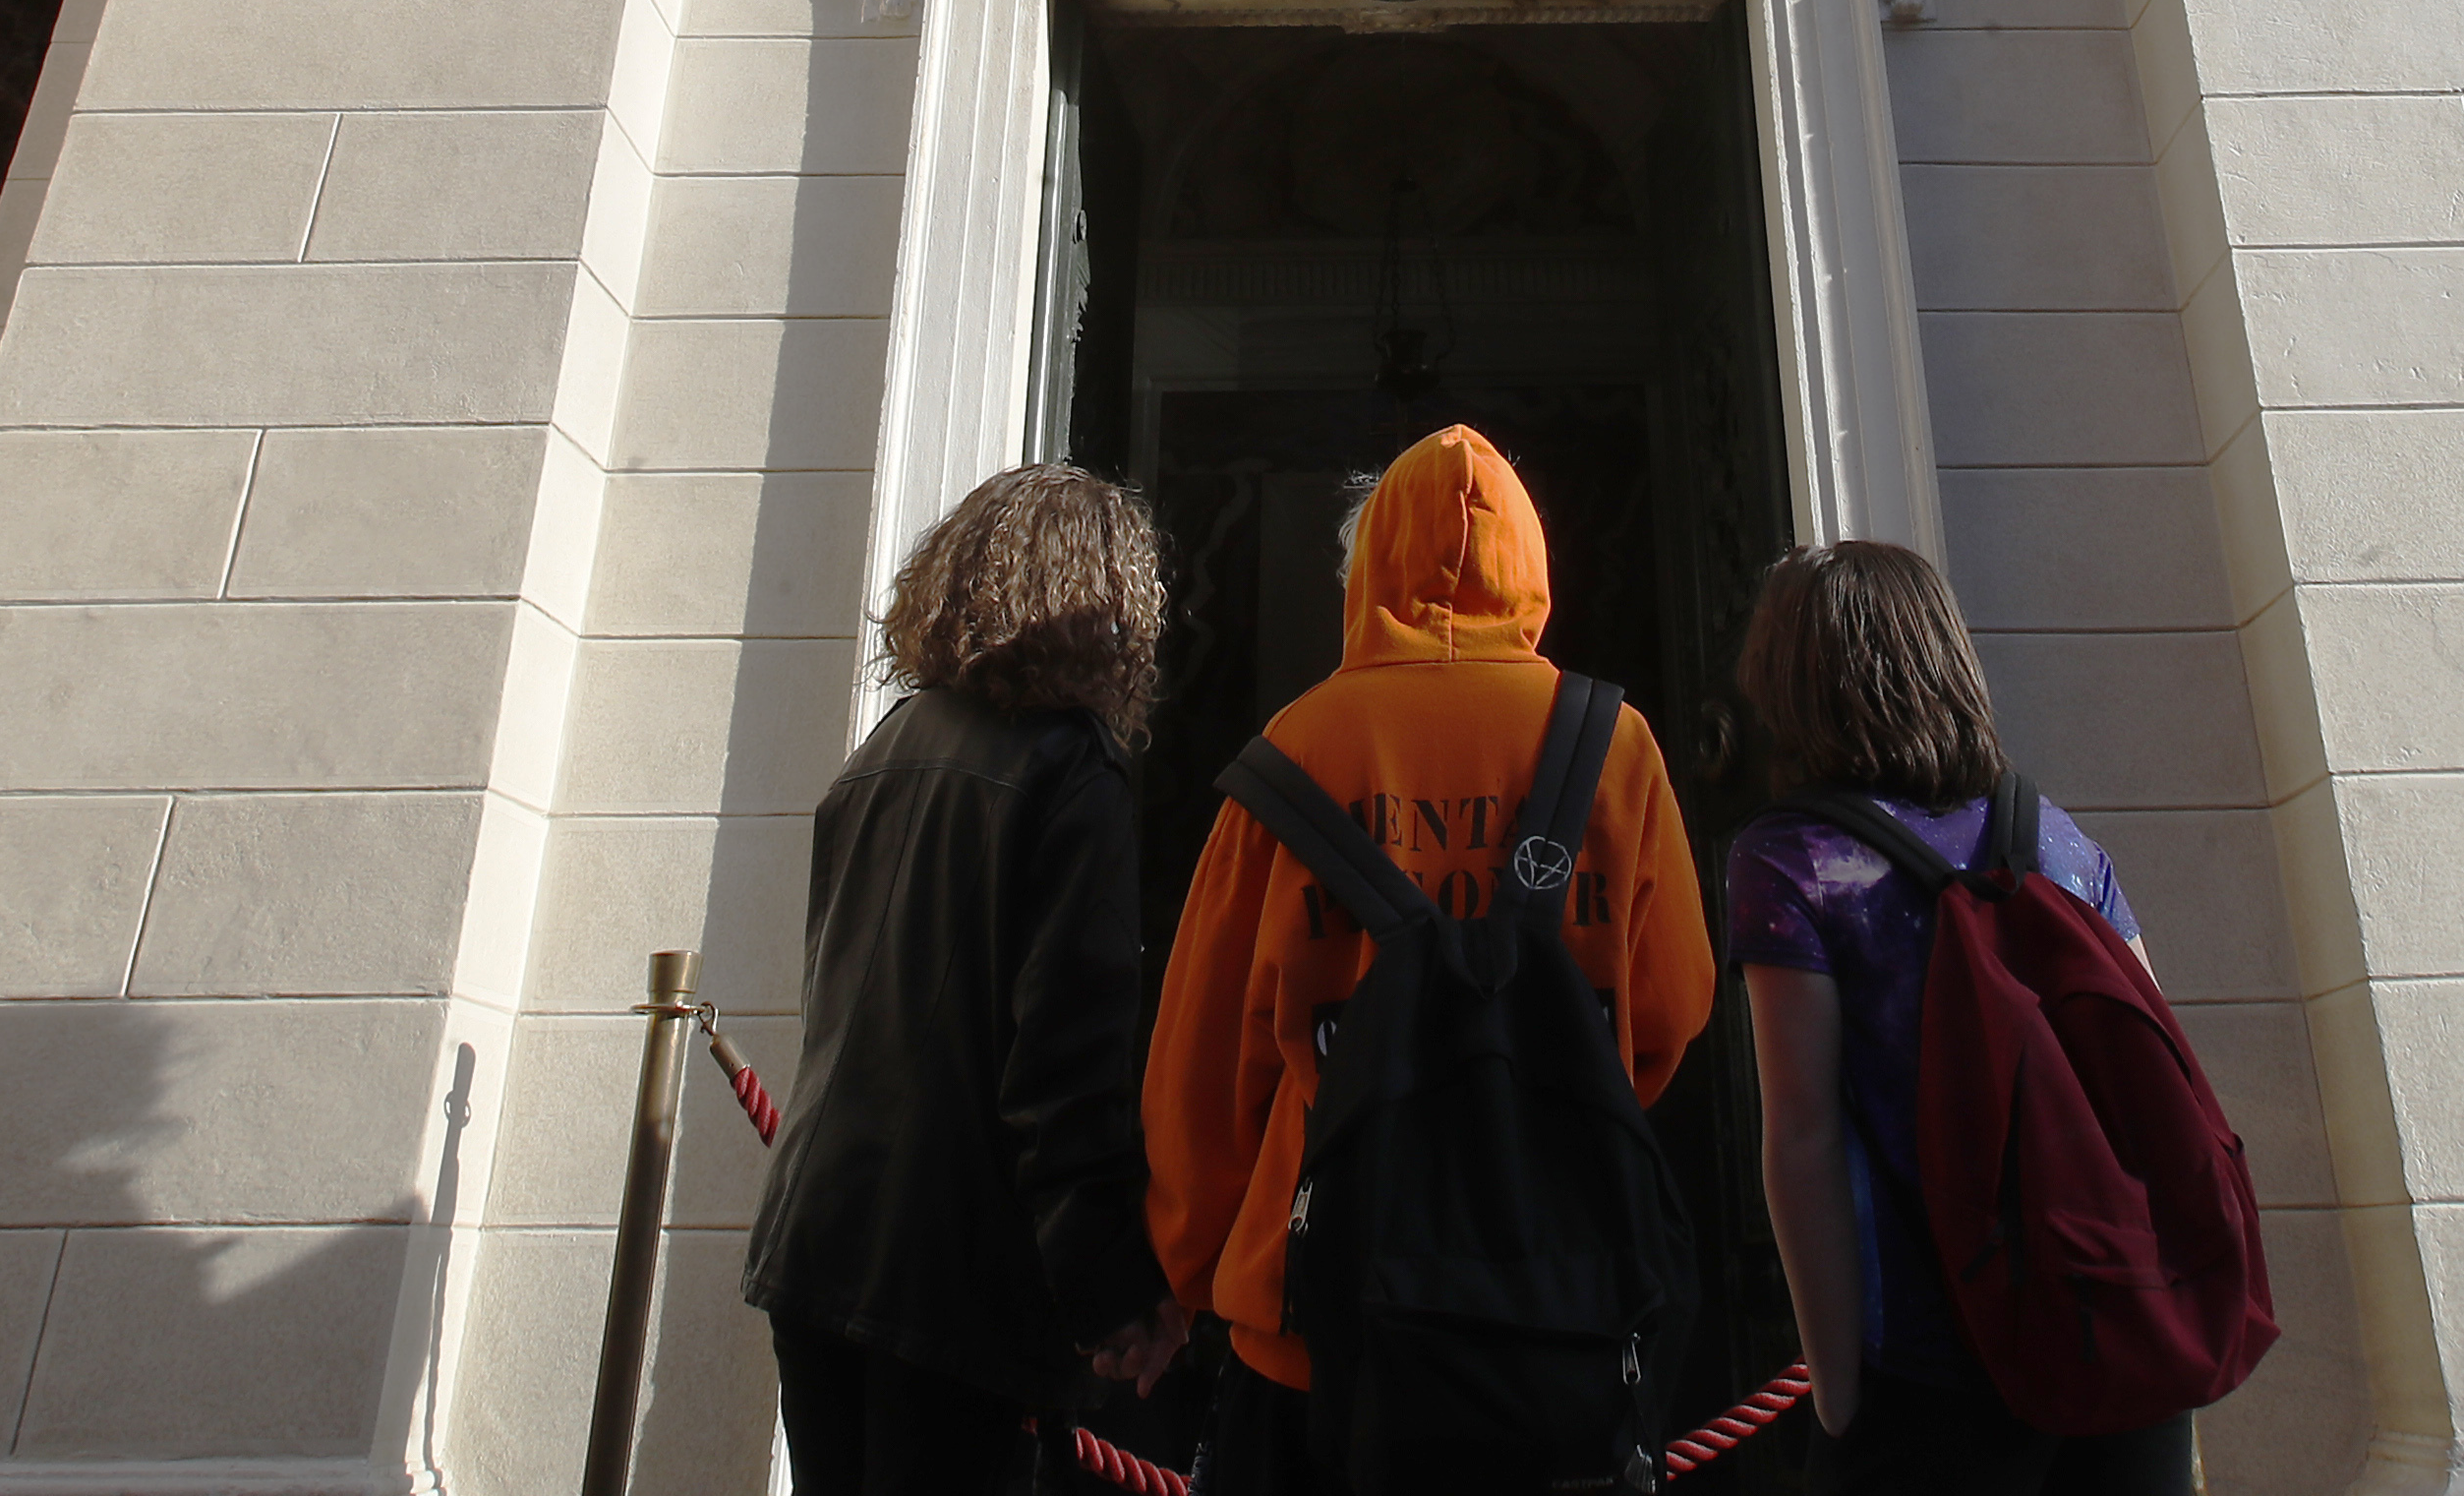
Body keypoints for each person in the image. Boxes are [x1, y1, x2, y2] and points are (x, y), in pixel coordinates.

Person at [1143, 425, 1718, 1495]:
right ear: (1532, 570)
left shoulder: (1295, 749)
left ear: (1365, 575)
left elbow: (1205, 1063)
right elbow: (1673, 1008)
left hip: (1315, 1319)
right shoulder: (1616, 745)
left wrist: (1189, 1270)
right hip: (1555, 1308)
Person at [748, 463, 1193, 1496]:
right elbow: (1061, 1072)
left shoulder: (883, 750)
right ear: (1103, 602)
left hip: (817, 1238)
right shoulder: (1070, 772)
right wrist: (1115, 1294)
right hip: (950, 1275)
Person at [1728, 540, 2193, 1495]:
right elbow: (2160, 1076)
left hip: (1932, 1367)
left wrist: (1836, 1392)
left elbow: (1802, 1135)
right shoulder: (2055, 837)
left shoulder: (1792, 860)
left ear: (1791, 681)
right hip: (2118, 1343)